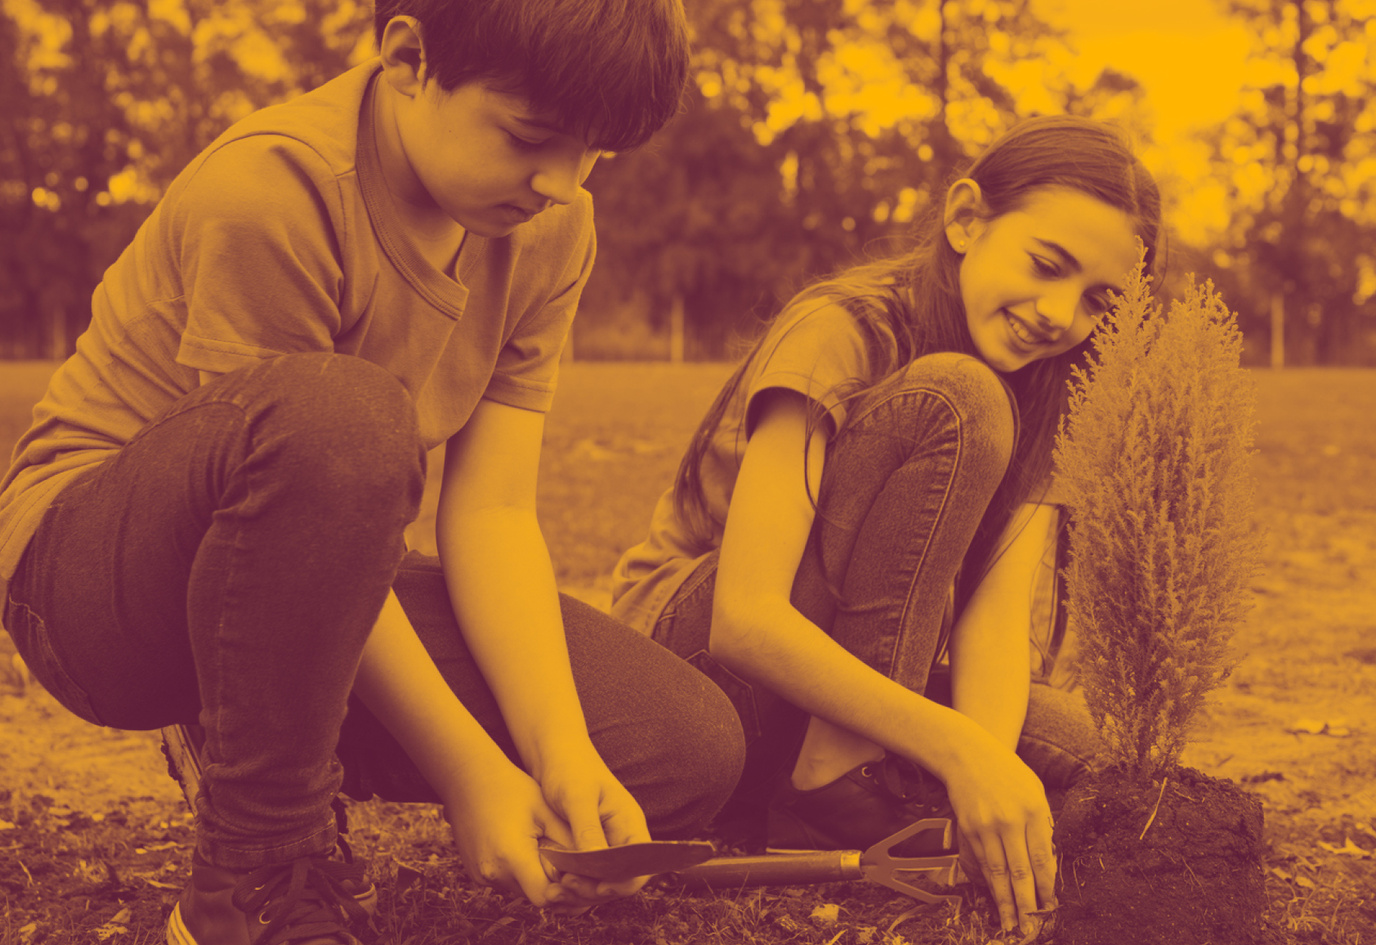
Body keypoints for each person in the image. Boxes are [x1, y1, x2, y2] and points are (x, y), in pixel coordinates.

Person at [0, 3, 745, 944]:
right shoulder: (273, 189)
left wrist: (558, 755)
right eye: (530, 137)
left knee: (679, 745)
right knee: (346, 413)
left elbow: (495, 512)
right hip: (93, 589)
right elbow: (319, 447)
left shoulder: (554, 228)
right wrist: (471, 769)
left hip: (313, 568)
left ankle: (254, 729)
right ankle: (252, 874)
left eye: (595, 153)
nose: (560, 183)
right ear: (407, 57)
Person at [607, 114, 1163, 941]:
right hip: (696, 674)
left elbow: (997, 626)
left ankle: (821, 791)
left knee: (1077, 749)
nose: (1059, 314)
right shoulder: (843, 327)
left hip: (849, 681)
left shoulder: (1054, 387)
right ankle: (835, 779)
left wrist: (988, 769)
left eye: (1096, 300)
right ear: (967, 217)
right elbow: (745, 619)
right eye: (1048, 265)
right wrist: (959, 753)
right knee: (958, 398)